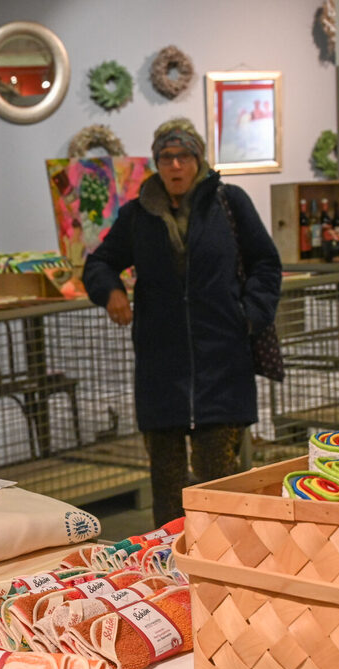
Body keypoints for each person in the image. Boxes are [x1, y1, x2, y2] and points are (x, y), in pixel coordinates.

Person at [82, 118, 281, 528]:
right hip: (162, 374)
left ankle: (227, 569)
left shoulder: (229, 202)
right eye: (167, 157)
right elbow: (99, 263)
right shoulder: (138, 215)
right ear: (157, 163)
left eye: (184, 156)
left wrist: (249, 315)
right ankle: (167, 574)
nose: (175, 166)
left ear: (198, 160)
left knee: (220, 490)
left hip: (222, 366)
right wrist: (111, 291)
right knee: (170, 498)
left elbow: (266, 263)